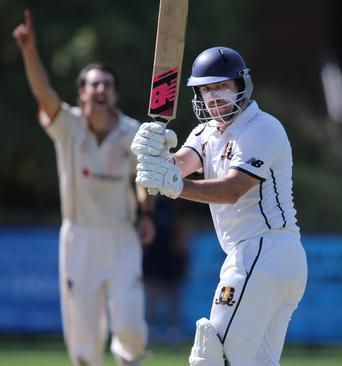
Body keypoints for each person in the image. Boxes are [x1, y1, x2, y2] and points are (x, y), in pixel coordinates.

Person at [131, 46, 308, 366]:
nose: (213, 97)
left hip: (263, 250)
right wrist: (151, 158)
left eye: (221, 87)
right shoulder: (205, 133)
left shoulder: (262, 128)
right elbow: (172, 170)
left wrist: (172, 184)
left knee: (211, 357)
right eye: (206, 89)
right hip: (266, 258)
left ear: (241, 86)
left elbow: (231, 189)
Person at [13, 10, 155, 366]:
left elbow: (143, 181)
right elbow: (43, 93)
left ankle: (128, 359)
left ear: (115, 93)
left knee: (132, 329)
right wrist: (29, 50)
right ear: (81, 93)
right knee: (85, 342)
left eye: (107, 84)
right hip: (79, 240)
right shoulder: (68, 127)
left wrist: (146, 213)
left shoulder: (132, 132)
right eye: (94, 83)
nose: (101, 89)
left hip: (122, 237)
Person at [142, 196, 189, 346]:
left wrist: (181, 253)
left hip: (170, 254)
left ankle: (174, 331)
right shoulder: (148, 205)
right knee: (152, 295)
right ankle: (150, 329)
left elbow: (182, 228)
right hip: (153, 254)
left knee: (173, 295)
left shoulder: (176, 201)